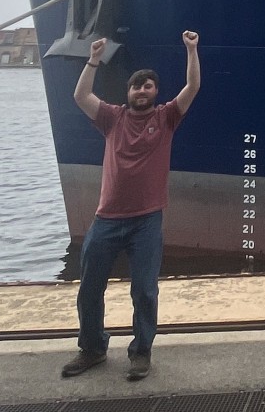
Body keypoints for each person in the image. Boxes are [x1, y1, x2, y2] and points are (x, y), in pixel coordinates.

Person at [60, 30, 201, 381]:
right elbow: (80, 95)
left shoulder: (166, 118)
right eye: (137, 86)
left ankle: (141, 353)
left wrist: (191, 50)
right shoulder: (112, 118)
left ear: (156, 93)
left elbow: (193, 87)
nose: (142, 91)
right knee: (90, 287)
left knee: (144, 289)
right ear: (129, 93)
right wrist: (93, 58)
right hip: (106, 219)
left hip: (147, 221)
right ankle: (92, 348)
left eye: (148, 86)